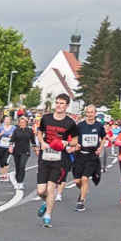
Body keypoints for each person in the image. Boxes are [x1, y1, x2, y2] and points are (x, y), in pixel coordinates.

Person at [33, 94, 79, 227]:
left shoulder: (70, 123)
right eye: (57, 102)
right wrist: (42, 143)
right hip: (45, 156)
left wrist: (66, 143)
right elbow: (40, 132)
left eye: (62, 103)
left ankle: (48, 215)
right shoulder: (46, 118)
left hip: (59, 158)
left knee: (51, 188)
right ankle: (46, 201)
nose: (58, 105)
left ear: (67, 105)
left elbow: (75, 140)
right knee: (41, 191)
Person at [71, 104, 106, 212]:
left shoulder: (99, 126)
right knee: (77, 181)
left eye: (92, 112)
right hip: (80, 154)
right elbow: (75, 138)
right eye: (88, 112)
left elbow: (104, 137)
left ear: (95, 113)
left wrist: (100, 147)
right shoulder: (80, 125)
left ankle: (81, 201)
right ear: (85, 113)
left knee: (85, 178)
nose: (90, 114)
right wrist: (75, 145)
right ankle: (83, 190)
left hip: (92, 155)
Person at [9, 114, 34, 191]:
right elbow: (12, 140)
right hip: (17, 150)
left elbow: (33, 141)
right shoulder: (16, 131)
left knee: (22, 166)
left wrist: (36, 149)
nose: (22, 124)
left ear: (26, 123)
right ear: (19, 123)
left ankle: (21, 182)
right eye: (21, 122)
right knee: (17, 167)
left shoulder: (29, 131)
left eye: (24, 122)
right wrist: (10, 147)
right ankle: (18, 182)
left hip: (25, 151)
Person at [0, 115, 15, 184]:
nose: (7, 121)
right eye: (6, 119)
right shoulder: (1, 128)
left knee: (5, 160)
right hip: (1, 146)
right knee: (1, 162)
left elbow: (16, 136)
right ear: (4, 120)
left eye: (9, 119)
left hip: (8, 146)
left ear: (10, 120)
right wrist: (0, 134)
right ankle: (3, 175)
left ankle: (6, 174)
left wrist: (12, 136)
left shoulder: (13, 128)